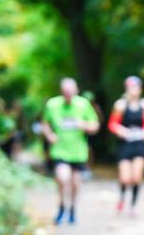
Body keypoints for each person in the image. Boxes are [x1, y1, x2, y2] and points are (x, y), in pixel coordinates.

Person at [41, 78, 100, 225]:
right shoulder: (52, 104)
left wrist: (84, 125)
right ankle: (62, 206)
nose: (68, 95)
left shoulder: (83, 104)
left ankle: (72, 209)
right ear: (61, 92)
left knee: (75, 183)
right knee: (63, 177)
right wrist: (49, 135)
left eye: (70, 92)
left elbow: (95, 125)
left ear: (76, 91)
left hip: (78, 152)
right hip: (60, 150)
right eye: (65, 92)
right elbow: (45, 124)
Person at [108, 76, 144, 216]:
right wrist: (121, 131)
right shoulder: (120, 105)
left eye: (136, 87)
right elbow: (112, 123)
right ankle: (122, 197)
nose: (133, 90)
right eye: (131, 87)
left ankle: (133, 205)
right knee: (125, 178)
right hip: (125, 145)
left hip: (139, 144)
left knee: (136, 176)